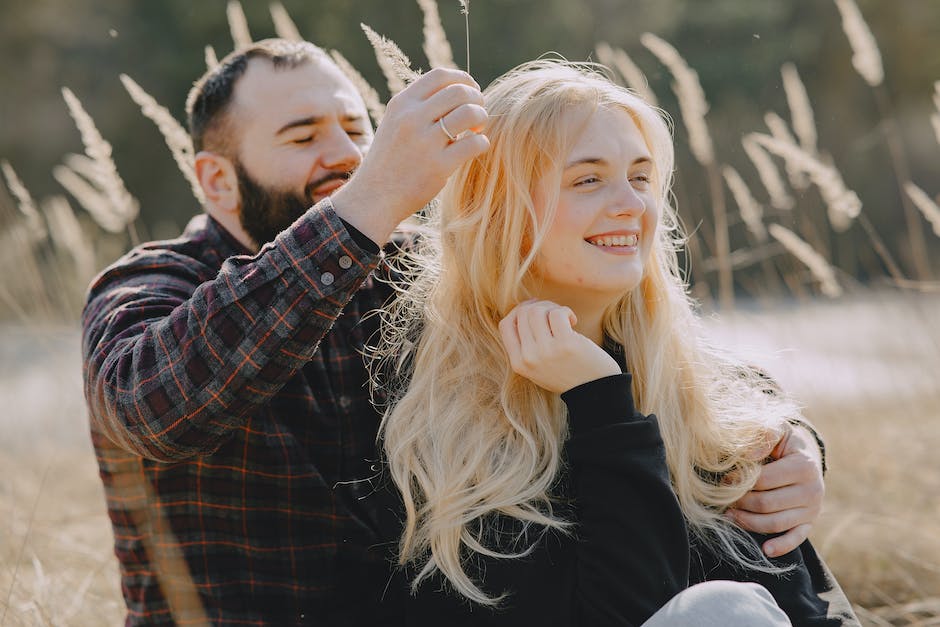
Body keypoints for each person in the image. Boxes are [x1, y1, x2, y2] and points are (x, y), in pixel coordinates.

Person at [81, 39, 826, 625]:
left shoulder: (406, 268)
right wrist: (374, 194)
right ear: (215, 180)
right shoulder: (155, 288)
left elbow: (641, 339)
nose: (344, 152)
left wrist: (787, 437)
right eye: (304, 135)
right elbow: (151, 404)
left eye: (357, 127)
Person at [369, 59, 858, 625]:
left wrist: (797, 442)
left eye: (642, 176)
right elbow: (630, 612)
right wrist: (599, 400)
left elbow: (804, 604)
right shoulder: (436, 424)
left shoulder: (708, 392)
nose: (632, 203)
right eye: (588, 179)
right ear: (501, 210)